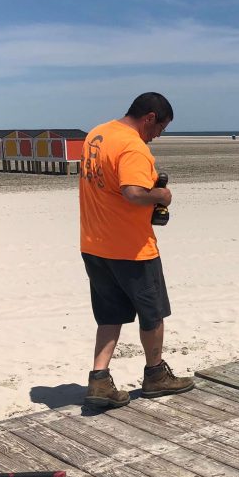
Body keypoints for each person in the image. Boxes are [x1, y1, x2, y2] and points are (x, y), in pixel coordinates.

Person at [79, 92, 195, 407]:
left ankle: (99, 379)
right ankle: (155, 374)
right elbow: (132, 192)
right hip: (131, 248)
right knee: (152, 313)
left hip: (94, 243)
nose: (159, 135)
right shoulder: (133, 146)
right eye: (161, 128)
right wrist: (162, 195)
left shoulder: (97, 135)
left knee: (109, 314)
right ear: (149, 118)